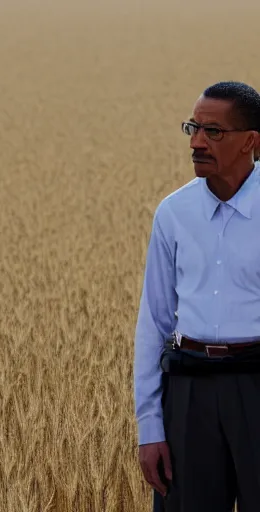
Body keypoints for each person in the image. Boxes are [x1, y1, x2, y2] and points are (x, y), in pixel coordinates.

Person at [134, 81, 260, 512]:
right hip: (189, 393)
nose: (196, 142)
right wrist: (150, 429)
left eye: (212, 132)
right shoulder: (173, 214)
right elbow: (154, 323)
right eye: (193, 128)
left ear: (250, 142)